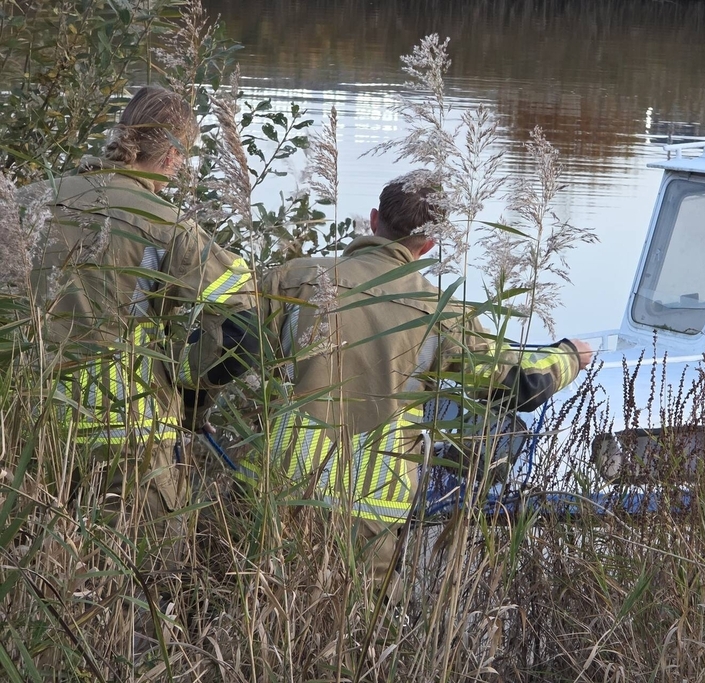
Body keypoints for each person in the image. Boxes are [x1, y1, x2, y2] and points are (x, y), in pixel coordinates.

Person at [248, 171, 593, 592]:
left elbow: (224, 345)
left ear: (374, 221)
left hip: (281, 487)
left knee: (265, 611)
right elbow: (517, 385)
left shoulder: (295, 279)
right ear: (429, 245)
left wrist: (196, 411)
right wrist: (570, 356)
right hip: (371, 503)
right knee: (352, 633)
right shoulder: (442, 313)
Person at [22, 86, 260, 579]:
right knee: (141, 594)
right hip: (128, 443)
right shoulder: (169, 226)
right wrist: (193, 399)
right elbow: (241, 328)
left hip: (24, 432)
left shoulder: (26, 204)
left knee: (30, 582)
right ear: (173, 156)